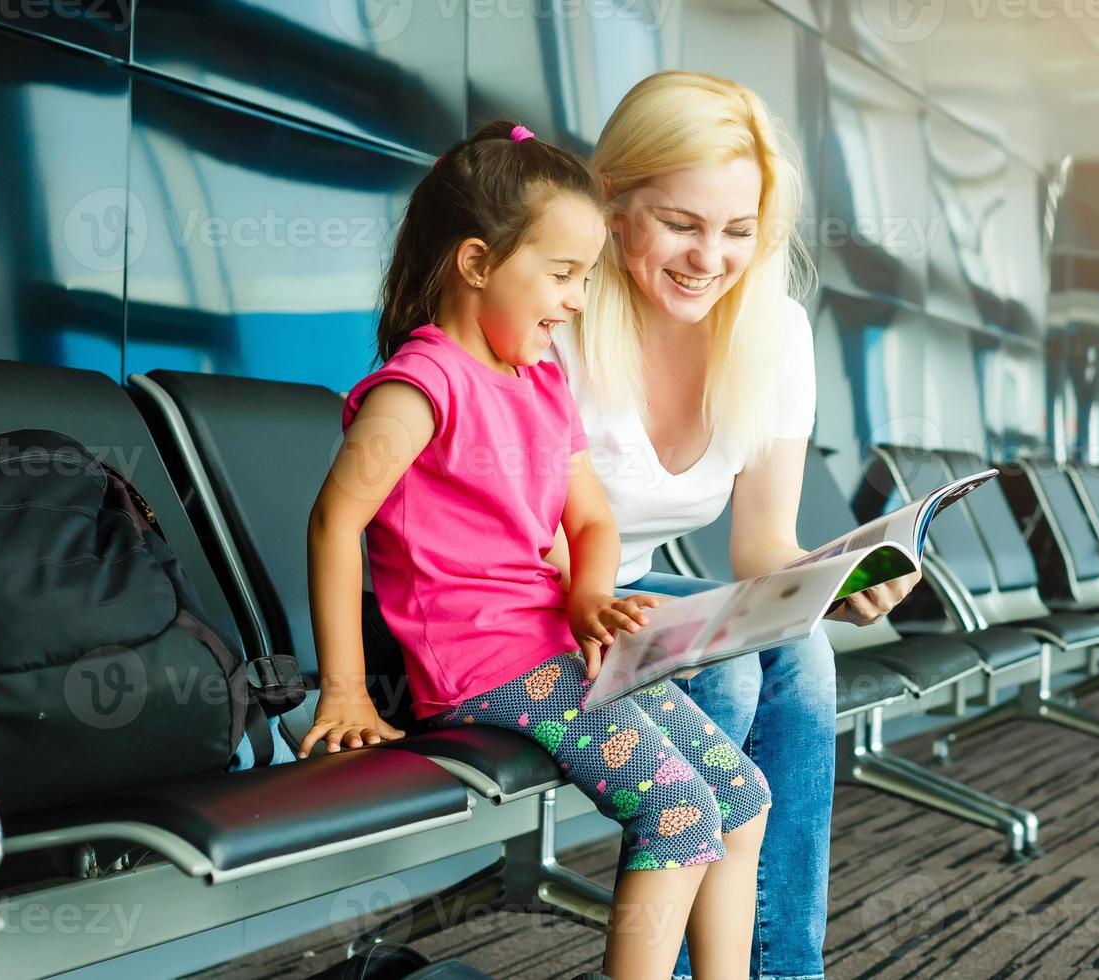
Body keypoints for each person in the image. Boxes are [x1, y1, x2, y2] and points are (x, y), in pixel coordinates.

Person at [301, 121, 771, 980]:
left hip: (555, 647)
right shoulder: (423, 384)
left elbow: (590, 520)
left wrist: (591, 596)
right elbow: (335, 522)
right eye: (561, 275)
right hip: (485, 666)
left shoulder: (544, 377)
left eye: (584, 276)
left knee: (740, 796)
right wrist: (345, 693)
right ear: (477, 263)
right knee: (674, 811)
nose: (577, 299)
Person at [545, 71, 922, 980]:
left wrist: (838, 576)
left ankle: (782, 970)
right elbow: (500, 535)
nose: (709, 258)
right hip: (519, 595)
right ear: (612, 202)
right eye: (681, 223)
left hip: (617, 595)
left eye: (737, 232)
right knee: (728, 673)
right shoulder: (552, 314)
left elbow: (760, 549)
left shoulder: (772, 331)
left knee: (797, 651)